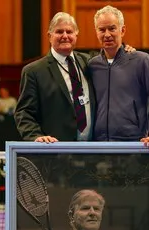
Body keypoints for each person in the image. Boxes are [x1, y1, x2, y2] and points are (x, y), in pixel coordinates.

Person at [14, 12, 134, 143]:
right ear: (49, 36)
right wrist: (35, 136)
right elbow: (24, 113)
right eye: (59, 32)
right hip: (54, 151)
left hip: (92, 149)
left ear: (76, 35)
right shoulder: (34, 71)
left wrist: (126, 52)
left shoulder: (89, 62)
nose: (65, 36)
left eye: (69, 32)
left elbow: (112, 60)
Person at [88, 5, 149, 149]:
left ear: (123, 30)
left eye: (112, 28)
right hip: (98, 146)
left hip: (134, 145)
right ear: (96, 32)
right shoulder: (91, 65)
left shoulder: (142, 61)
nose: (107, 34)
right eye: (102, 29)